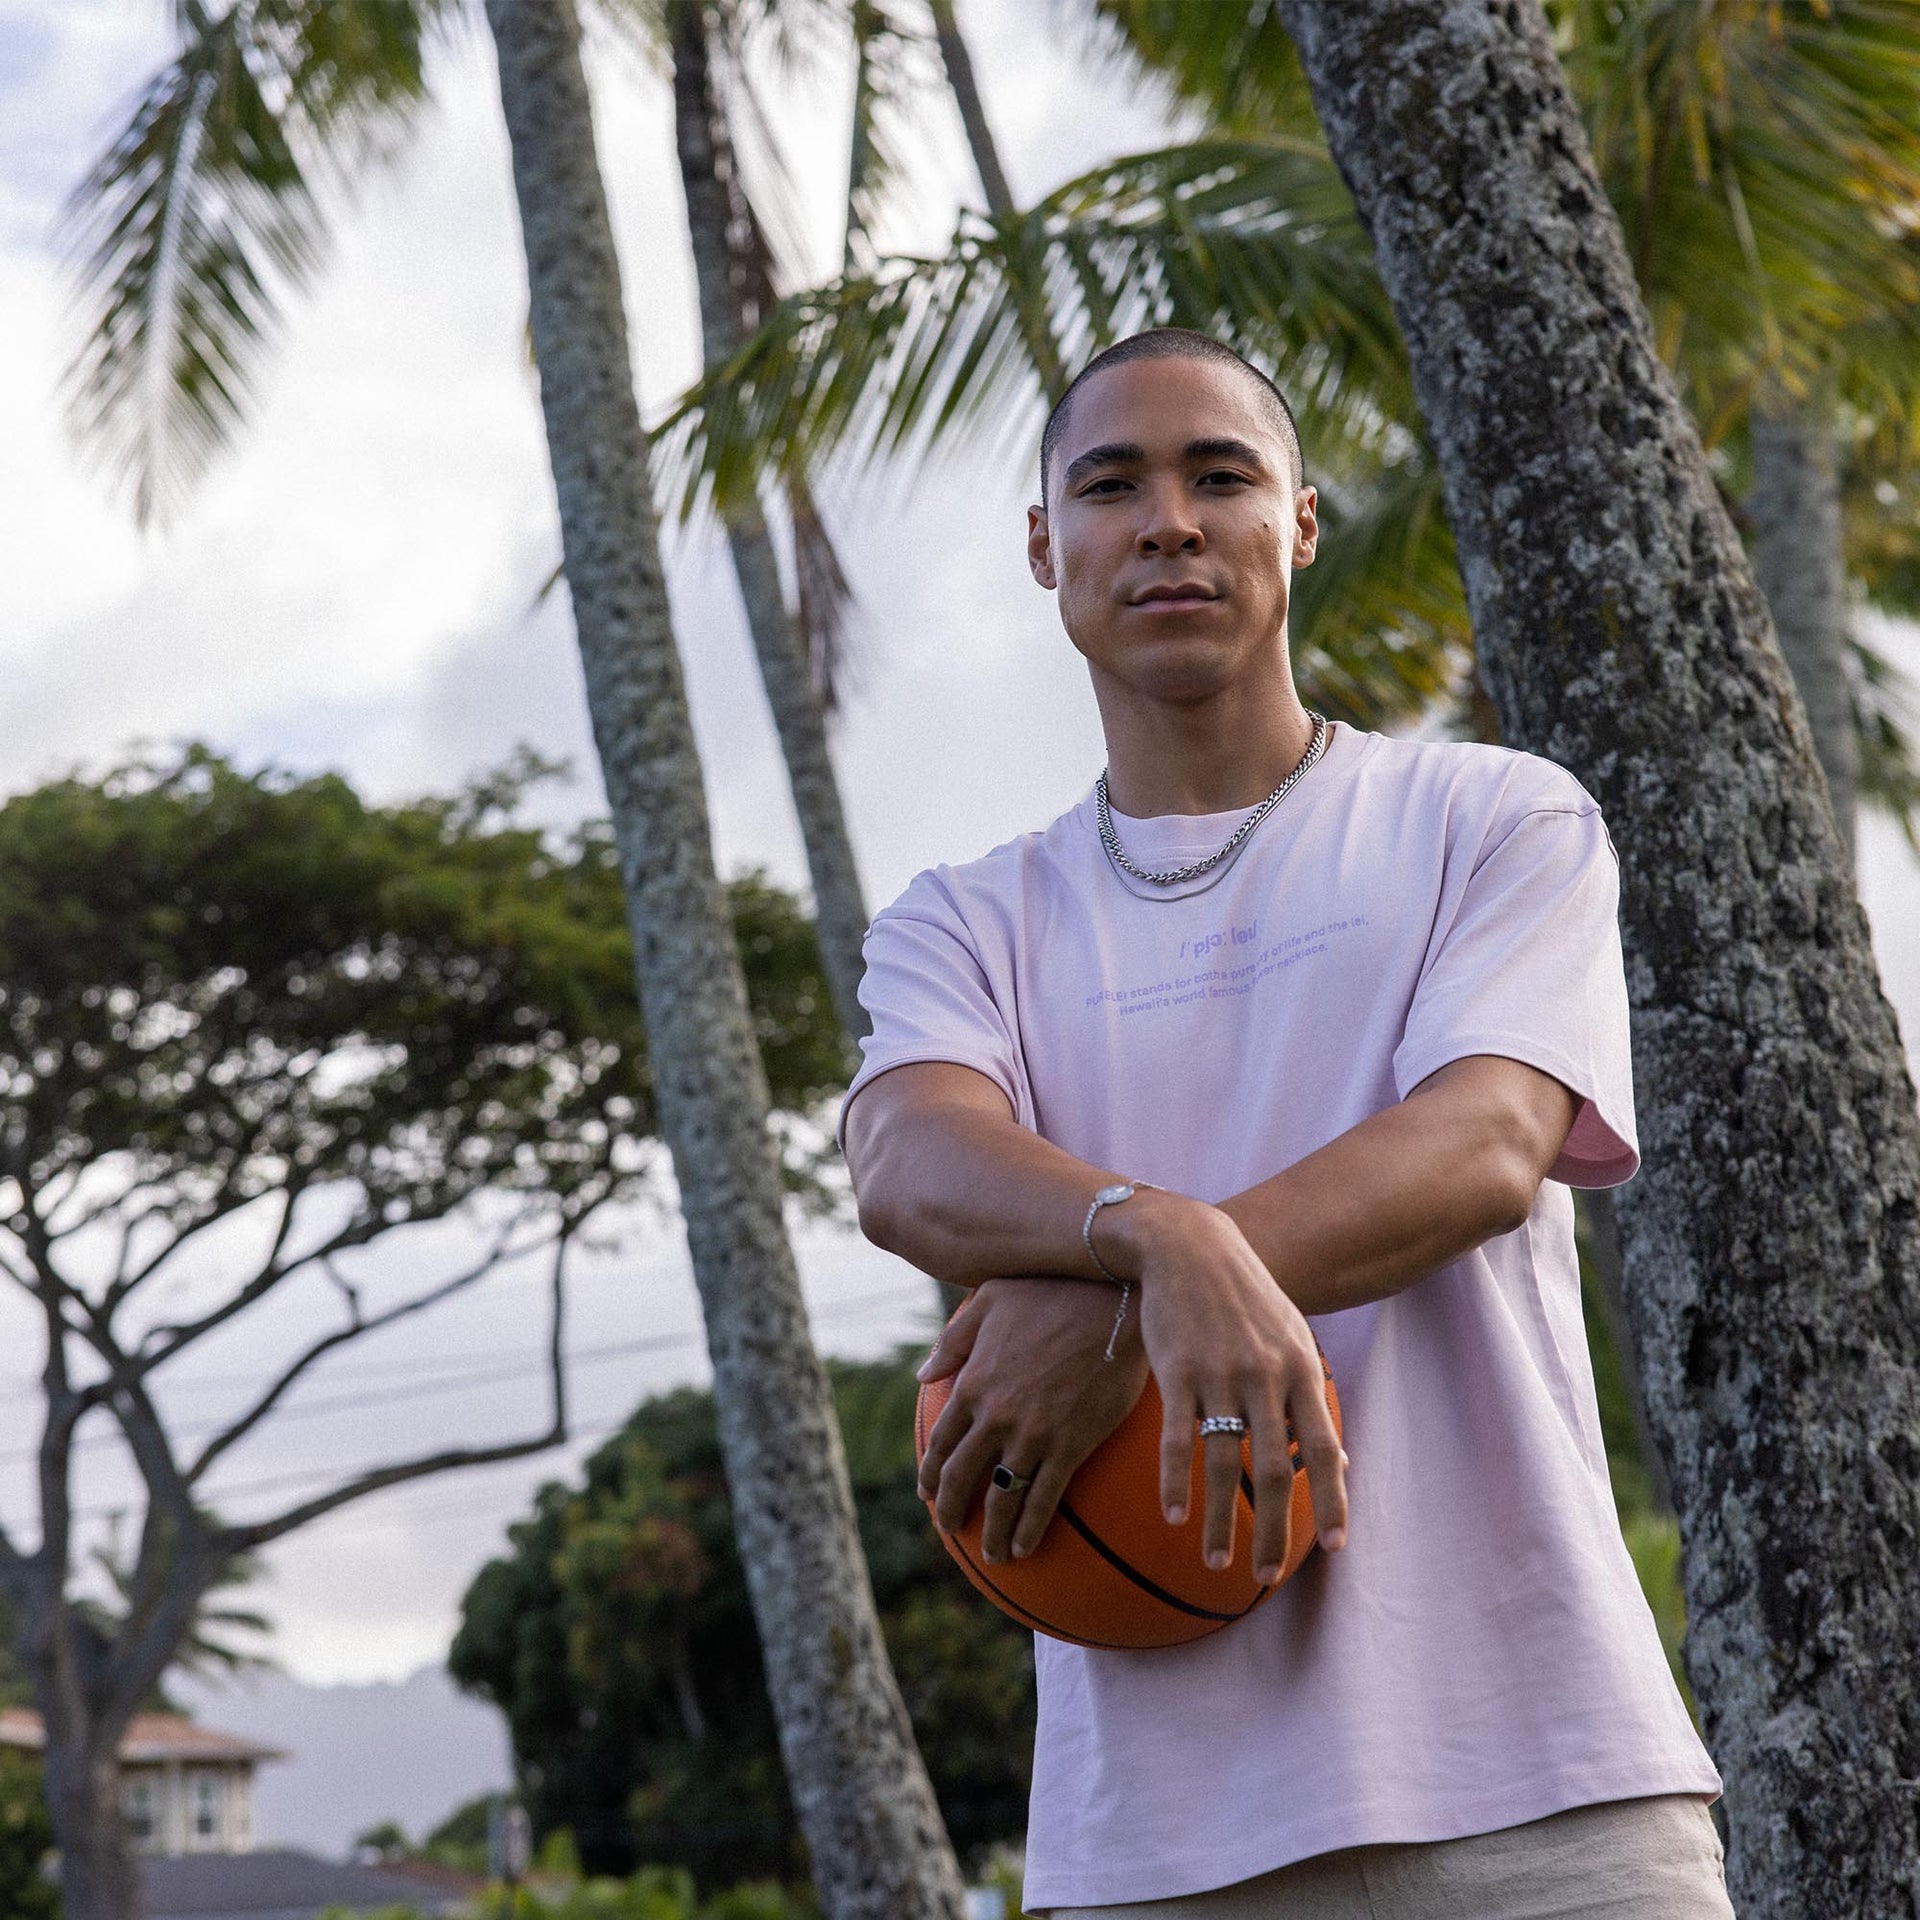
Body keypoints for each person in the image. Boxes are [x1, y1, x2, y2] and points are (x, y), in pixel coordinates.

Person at [836, 328, 1730, 1918]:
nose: (1169, 520)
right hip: (1161, 1842)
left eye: (1221, 475)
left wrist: (1132, 1308)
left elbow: (1486, 1145)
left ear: (1300, 523)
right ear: (1049, 549)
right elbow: (907, 1155)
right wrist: (1152, 1240)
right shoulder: (968, 921)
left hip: (1549, 1787)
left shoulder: (1490, 816)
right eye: (1111, 485)